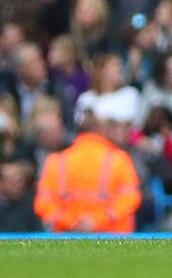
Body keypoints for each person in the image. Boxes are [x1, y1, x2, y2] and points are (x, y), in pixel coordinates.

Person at [34, 89, 143, 233]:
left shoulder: (56, 162)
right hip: (113, 240)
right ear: (102, 129)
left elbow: (43, 204)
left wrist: (71, 222)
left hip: (67, 241)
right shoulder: (119, 160)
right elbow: (130, 198)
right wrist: (97, 221)